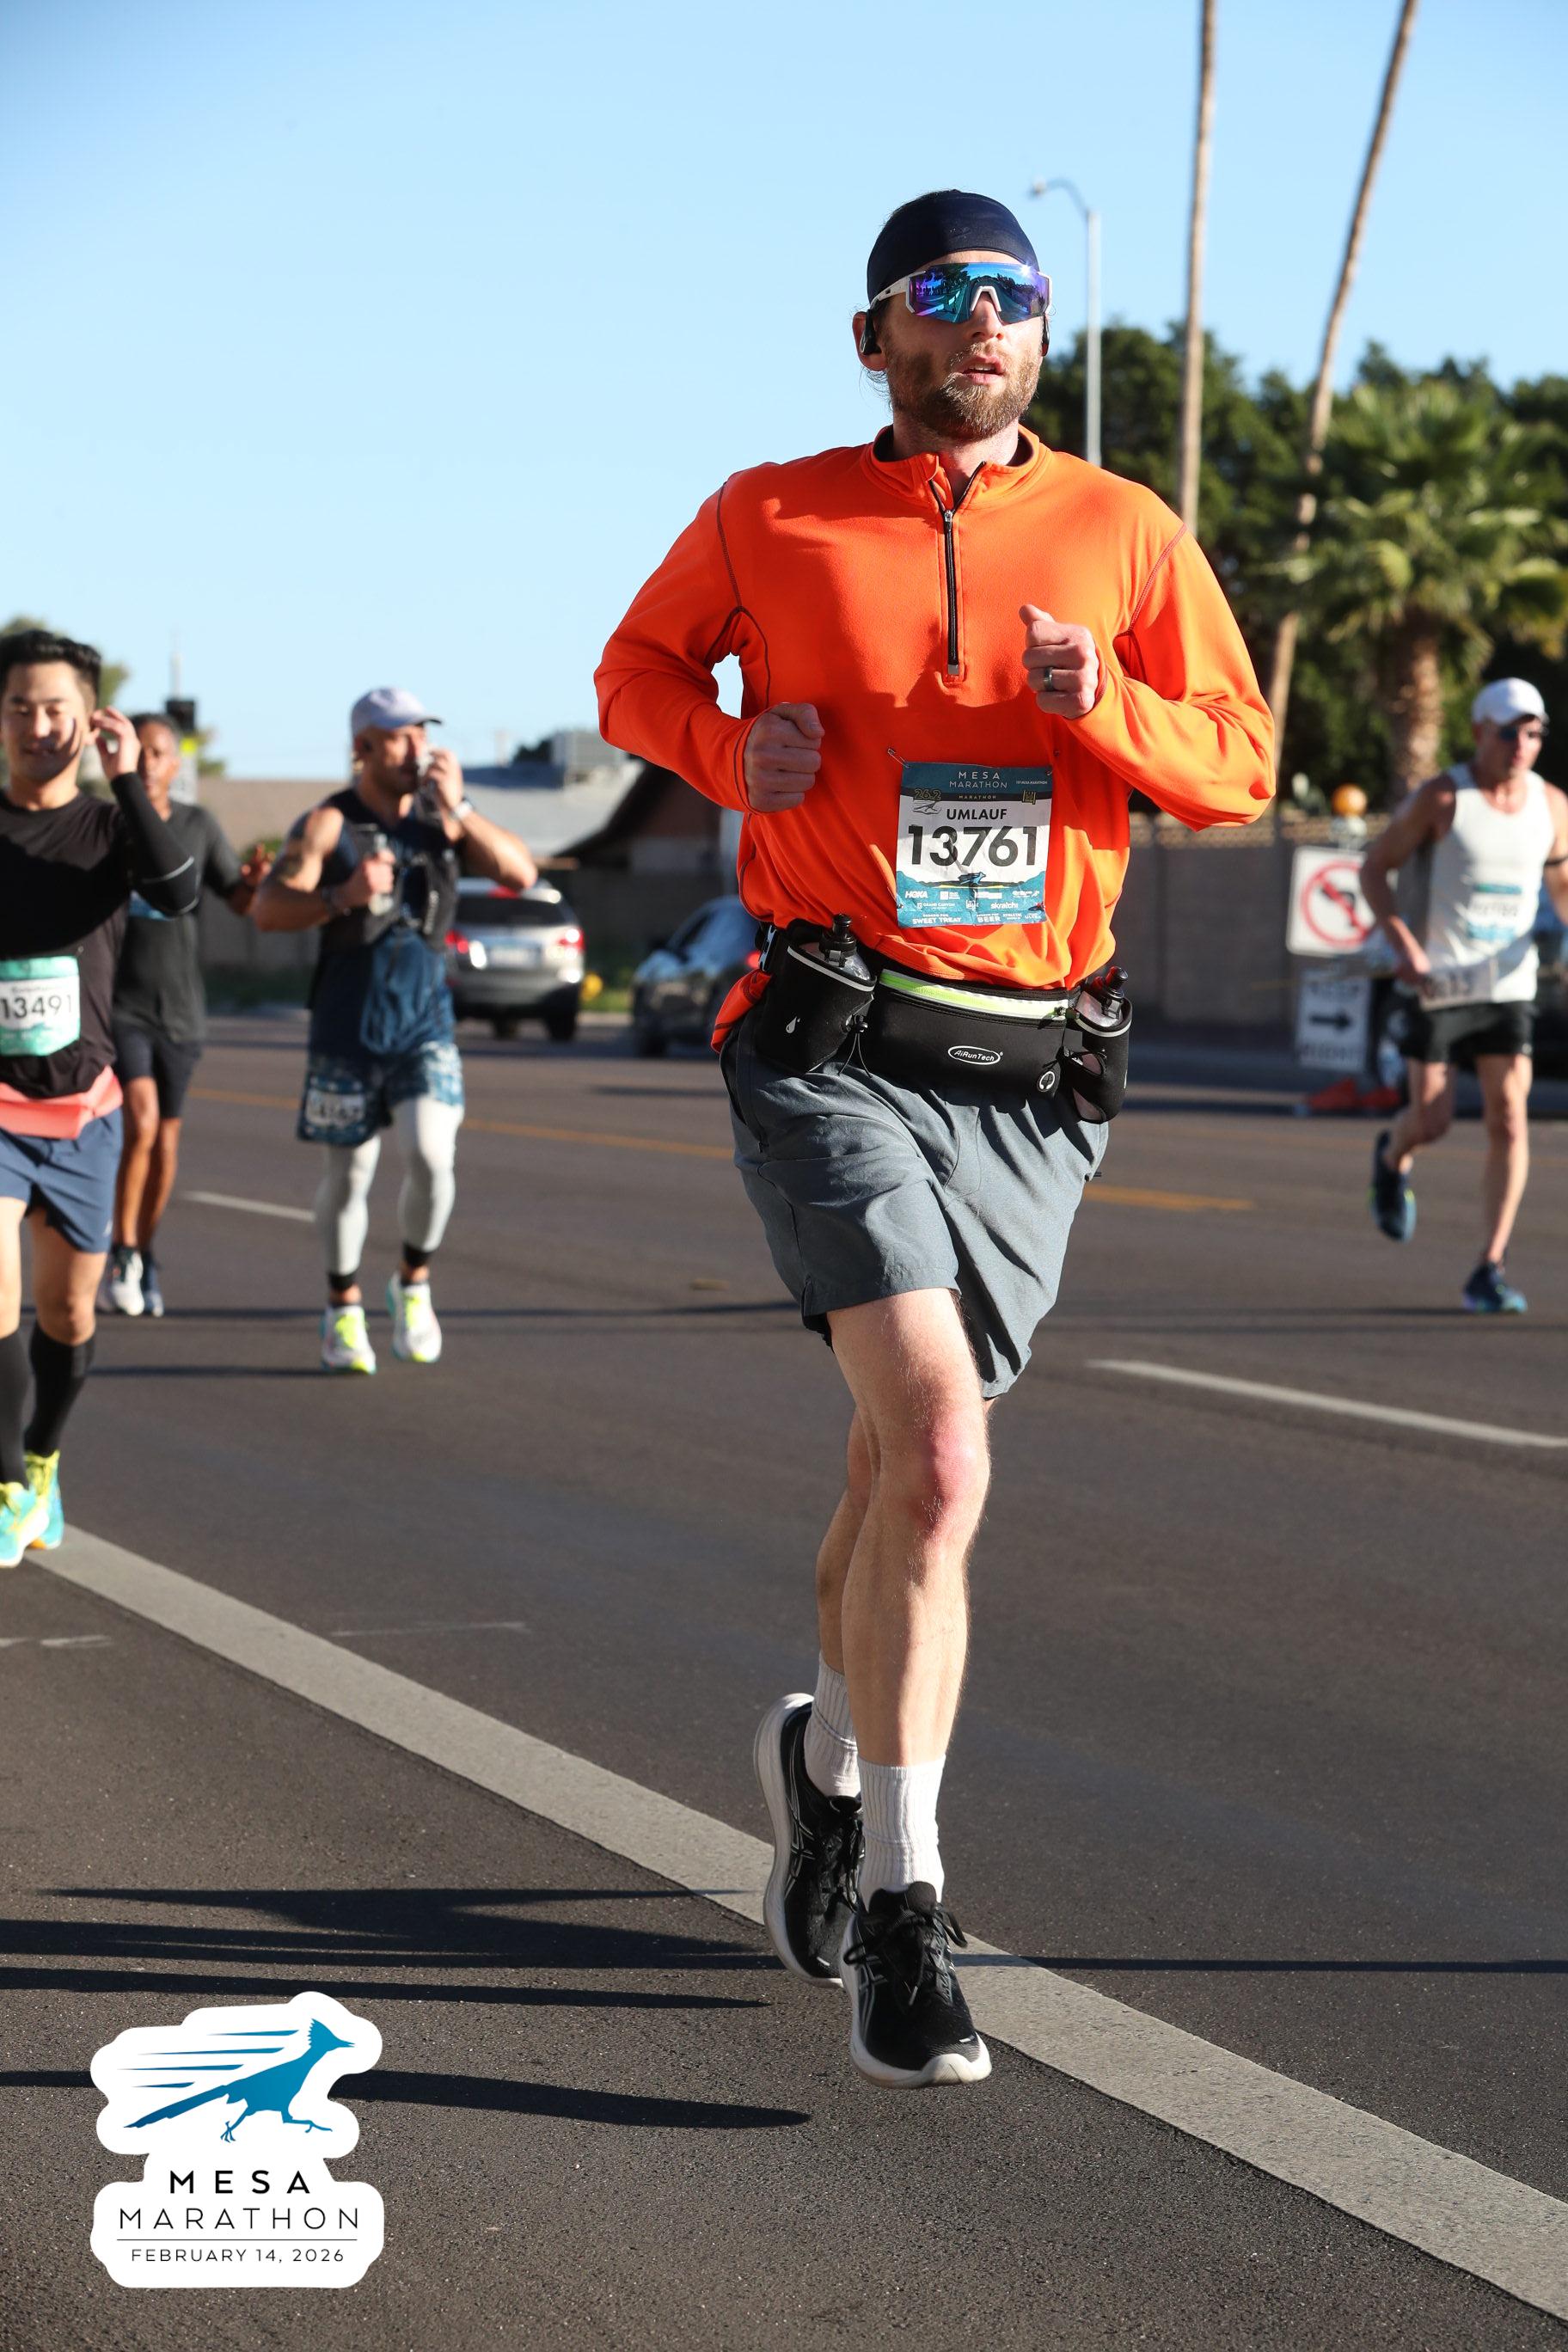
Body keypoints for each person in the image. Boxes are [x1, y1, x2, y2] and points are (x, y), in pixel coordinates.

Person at [597, 190, 1274, 2086]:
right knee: (946, 1459)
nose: (984, 322)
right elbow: (633, 675)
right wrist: (729, 754)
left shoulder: (1123, 529)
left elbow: (1239, 761)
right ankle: (908, 1908)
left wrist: (1107, 703)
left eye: (1014, 298)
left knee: (896, 1461)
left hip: (1033, 1076)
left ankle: (822, 1773)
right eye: (945, 293)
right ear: (874, 333)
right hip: (832, 1039)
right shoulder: (771, 512)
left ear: (1040, 336)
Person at [252, 687, 537, 1372]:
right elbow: (268, 908)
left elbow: (521, 872)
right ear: (363, 748)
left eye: (422, 735)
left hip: (424, 1027)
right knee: (349, 1174)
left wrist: (460, 808)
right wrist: (340, 897)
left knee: (432, 1157)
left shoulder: (444, 820)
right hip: (345, 1028)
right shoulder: (328, 823)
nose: (417, 749)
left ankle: (412, 1282)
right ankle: (342, 1307)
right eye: (400, 737)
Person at [0, 629, 201, 1565]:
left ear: (89, 720)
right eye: (20, 708)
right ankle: (7, 1484)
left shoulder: (113, 828)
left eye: (57, 710)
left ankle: (43, 1459)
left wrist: (127, 781)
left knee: (68, 1315)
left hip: (84, 1109)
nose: (38, 725)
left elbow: (179, 891)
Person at [1361, 677, 1567, 1312]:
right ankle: (1392, 1155)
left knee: (1509, 1115)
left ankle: (1490, 1265)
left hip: (1508, 984)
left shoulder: (1552, 805)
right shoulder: (1444, 798)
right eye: (1508, 731)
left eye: (1533, 733)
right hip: (1440, 982)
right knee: (1434, 1121)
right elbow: (1374, 869)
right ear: (1479, 732)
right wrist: (1405, 947)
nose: (1521, 744)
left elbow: (1562, 886)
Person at [105, 712, 270, 1318]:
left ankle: (145, 1252)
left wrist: (254, 882)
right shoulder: (108, 825)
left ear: (176, 764)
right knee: (141, 1122)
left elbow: (238, 899)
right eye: (140, 751)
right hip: (120, 1005)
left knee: (167, 1142)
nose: (149, 763)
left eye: (159, 753)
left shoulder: (198, 826)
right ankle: (121, 1251)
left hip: (181, 1011)